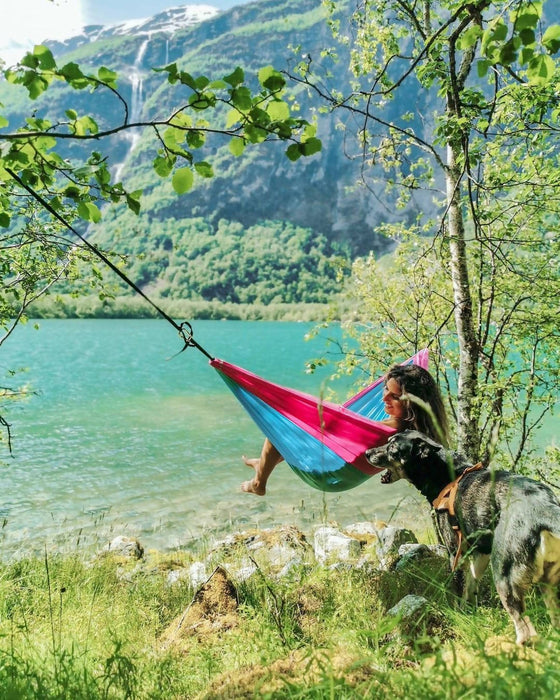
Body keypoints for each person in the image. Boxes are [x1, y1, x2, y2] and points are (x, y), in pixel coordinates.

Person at [241, 362, 450, 496]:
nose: (384, 397)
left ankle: (259, 483)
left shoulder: (392, 434)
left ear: (413, 402)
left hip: (333, 475)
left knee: (279, 428)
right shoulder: (413, 431)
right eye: (386, 389)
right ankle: (263, 463)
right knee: (297, 433)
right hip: (343, 470)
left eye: (394, 396)